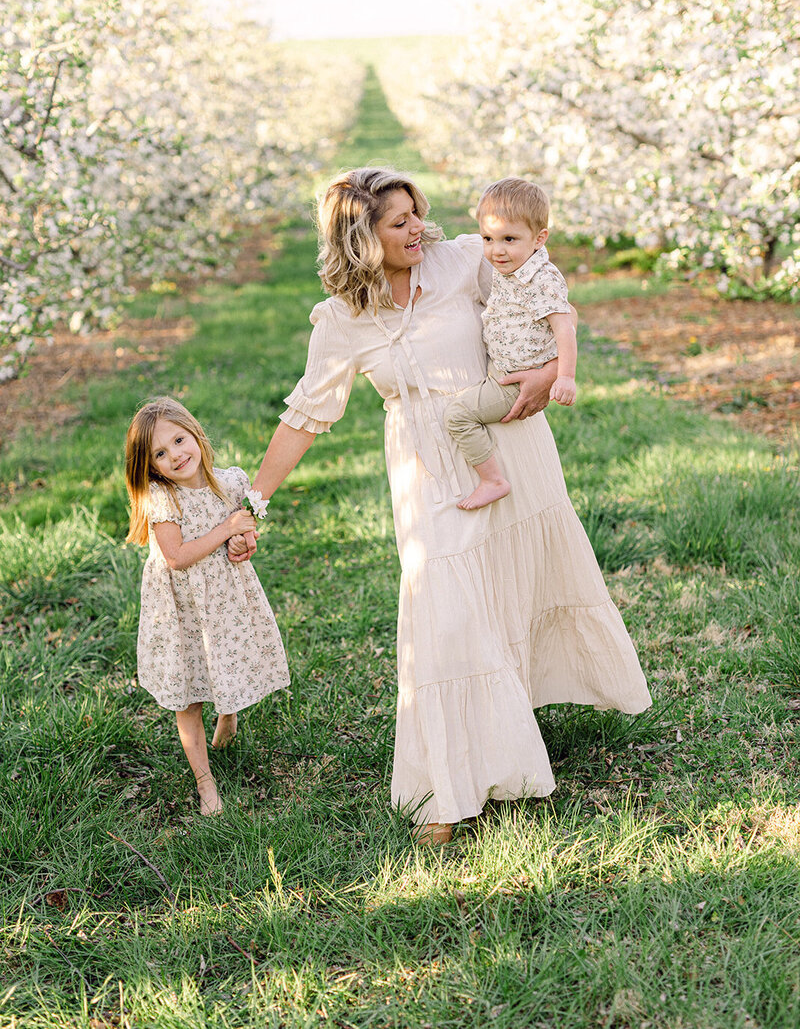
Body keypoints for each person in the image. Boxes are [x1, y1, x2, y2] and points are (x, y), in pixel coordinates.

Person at [232, 167, 650, 845]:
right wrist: (256, 499)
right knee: (444, 608)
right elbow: (307, 414)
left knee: (505, 587)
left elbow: (542, 298)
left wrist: (549, 373)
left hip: (508, 445)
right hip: (426, 470)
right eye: (399, 222)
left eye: (417, 212)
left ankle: (505, 729)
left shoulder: (459, 259)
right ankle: (448, 789)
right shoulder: (342, 320)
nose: (418, 227)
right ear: (360, 238)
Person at [125, 396, 289, 816]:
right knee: (189, 692)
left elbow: (246, 536)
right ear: (150, 466)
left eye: (179, 440)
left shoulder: (232, 483)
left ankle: (228, 715)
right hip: (182, 611)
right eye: (160, 453)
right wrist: (226, 530)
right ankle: (205, 783)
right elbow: (176, 556)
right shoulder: (162, 498)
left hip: (224, 604)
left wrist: (242, 540)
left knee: (225, 661)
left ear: (195, 434)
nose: (176, 455)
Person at [445, 177, 577, 511]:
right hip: (504, 364)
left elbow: (566, 328)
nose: (496, 250)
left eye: (508, 239)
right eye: (488, 238)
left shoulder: (541, 279)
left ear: (539, 239)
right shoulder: (512, 267)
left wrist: (563, 377)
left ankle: (493, 480)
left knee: (458, 415)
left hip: (514, 380)